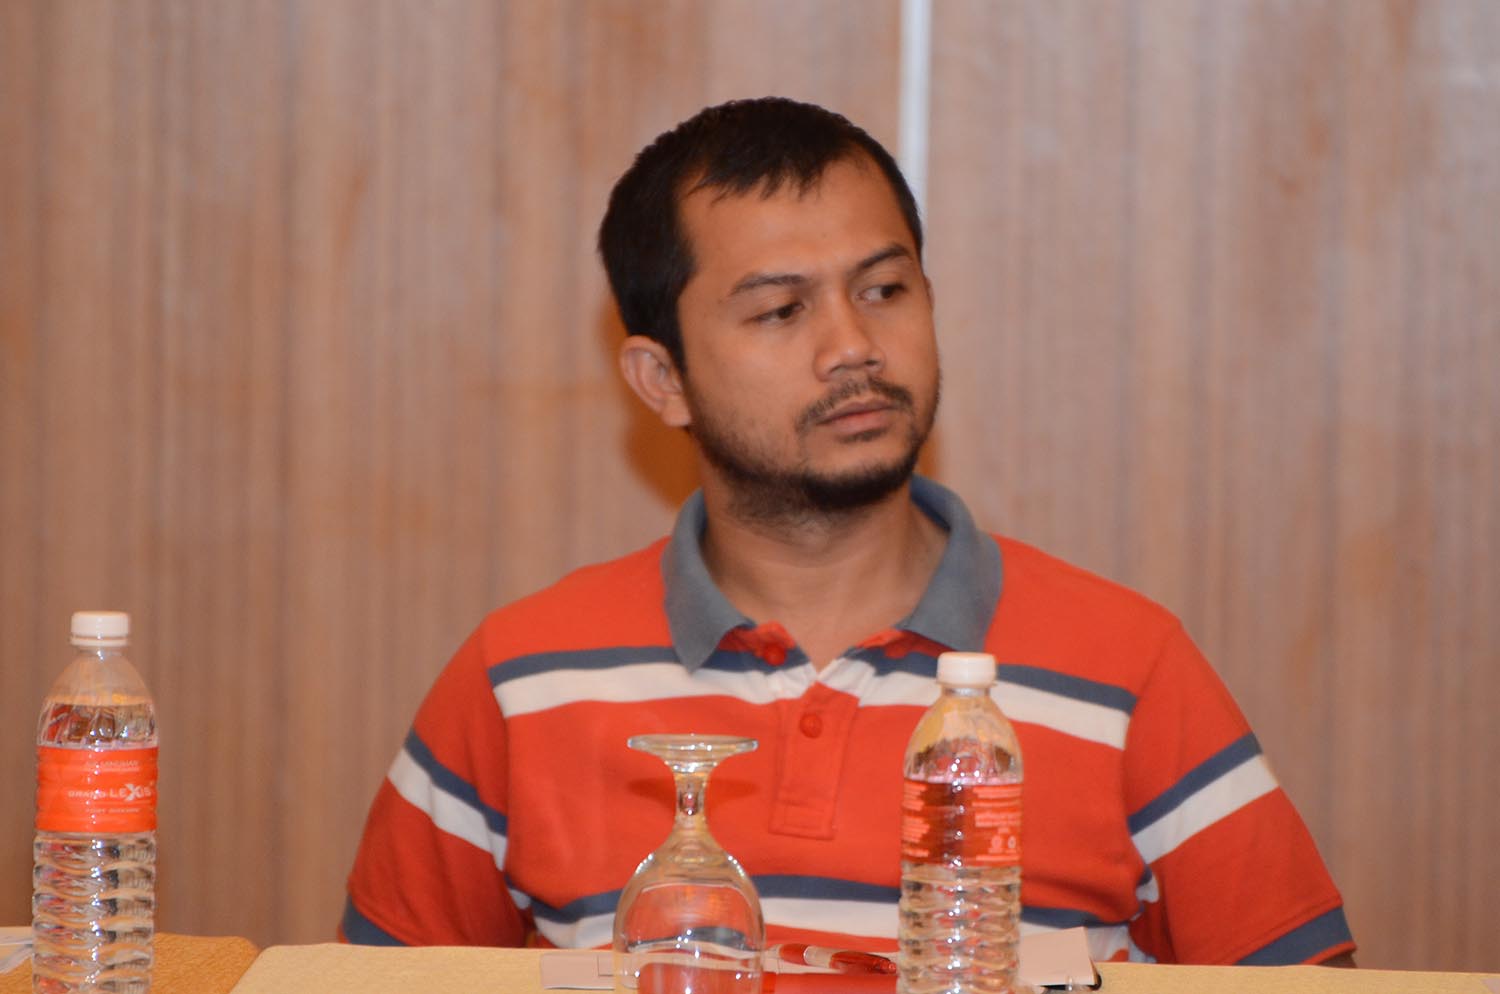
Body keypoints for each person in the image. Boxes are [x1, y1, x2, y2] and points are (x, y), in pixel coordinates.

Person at [342, 97, 1355, 966]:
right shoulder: (521, 678)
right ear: (663, 380)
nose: (854, 347)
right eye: (782, 312)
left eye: (884, 290)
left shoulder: (1128, 670)